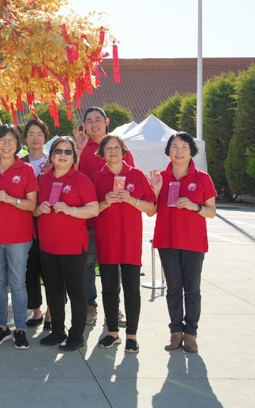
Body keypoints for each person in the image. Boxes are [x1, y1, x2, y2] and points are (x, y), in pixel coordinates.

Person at [149, 132, 217, 353]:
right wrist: (155, 189)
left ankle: (191, 334)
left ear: (191, 151)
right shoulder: (160, 177)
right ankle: (176, 333)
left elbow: (212, 211)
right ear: (168, 151)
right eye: (174, 146)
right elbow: (151, 210)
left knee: (192, 290)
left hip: (193, 242)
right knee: (173, 289)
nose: (179, 151)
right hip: (167, 241)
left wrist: (195, 206)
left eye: (184, 147)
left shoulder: (202, 178)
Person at [92, 135, 156, 353]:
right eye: (108, 148)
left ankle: (132, 335)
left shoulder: (136, 175)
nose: (113, 151)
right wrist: (104, 203)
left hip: (130, 241)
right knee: (109, 288)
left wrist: (132, 200)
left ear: (123, 151)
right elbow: (90, 211)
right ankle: (112, 332)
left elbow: (152, 208)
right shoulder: (97, 177)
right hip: (107, 240)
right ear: (102, 153)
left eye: (116, 147)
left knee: (132, 289)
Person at [34, 136, 98, 351]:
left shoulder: (82, 180)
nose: (63, 155)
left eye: (68, 151)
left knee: (76, 292)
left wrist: (71, 210)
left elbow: (94, 209)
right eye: (58, 151)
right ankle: (57, 331)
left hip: (73, 247)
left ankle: (77, 336)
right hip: (47, 246)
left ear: (73, 157)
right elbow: (33, 209)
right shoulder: (42, 180)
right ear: (51, 156)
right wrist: (39, 209)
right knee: (53, 291)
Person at [0, 125, 38, 350]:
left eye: (11, 140)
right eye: (2, 140)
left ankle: (20, 328)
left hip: (19, 236)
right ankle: (2, 327)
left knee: (17, 283)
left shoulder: (26, 169)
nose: (6, 144)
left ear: (17, 144)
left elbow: (32, 205)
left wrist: (12, 200)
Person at [74, 107, 134, 326]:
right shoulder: (81, 148)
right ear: (85, 126)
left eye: (97, 119)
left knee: (113, 264)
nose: (94, 124)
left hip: (114, 218)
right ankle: (90, 305)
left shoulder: (119, 146)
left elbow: (131, 178)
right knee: (88, 263)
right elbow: (71, 176)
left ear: (106, 122)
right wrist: (78, 152)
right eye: (89, 121)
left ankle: (114, 308)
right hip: (89, 217)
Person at [20, 119, 53, 330]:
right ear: (25, 138)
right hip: (25, 224)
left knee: (50, 269)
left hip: (49, 222)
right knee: (29, 269)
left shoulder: (53, 161)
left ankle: (51, 313)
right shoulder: (19, 163)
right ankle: (36, 311)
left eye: (39, 134)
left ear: (45, 138)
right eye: (31, 134)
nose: (35, 138)